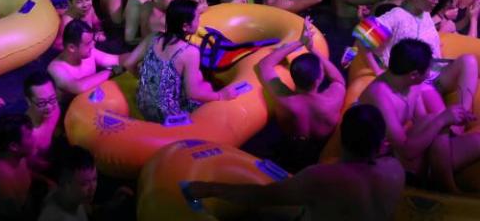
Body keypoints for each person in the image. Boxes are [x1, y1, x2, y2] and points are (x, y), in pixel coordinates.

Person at [185, 104, 405, 221]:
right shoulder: (394, 170)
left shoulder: (322, 177)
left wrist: (210, 188)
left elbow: (261, 196)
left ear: (342, 138)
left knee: (262, 213)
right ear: (380, 144)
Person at [360, 38, 480, 192]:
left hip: (413, 153)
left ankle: (439, 175)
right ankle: (446, 185)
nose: (430, 73)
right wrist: (443, 119)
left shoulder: (411, 85)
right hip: (385, 161)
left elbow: (424, 123)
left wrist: (452, 118)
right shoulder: (380, 96)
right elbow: (406, 151)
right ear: (414, 74)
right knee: (436, 120)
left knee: (475, 140)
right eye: (428, 70)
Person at [127, 0, 245, 124]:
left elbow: (128, 63)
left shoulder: (153, 37)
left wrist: (145, 81)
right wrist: (221, 96)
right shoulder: (189, 52)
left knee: (201, 82)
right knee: (208, 88)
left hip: (143, 104)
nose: (199, 22)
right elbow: (193, 93)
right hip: (167, 115)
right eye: (197, 19)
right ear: (185, 26)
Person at [256, 18, 346, 171]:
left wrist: (299, 42)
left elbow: (264, 64)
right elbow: (338, 79)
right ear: (319, 79)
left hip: (289, 149)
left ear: (293, 77)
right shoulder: (332, 99)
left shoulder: (282, 97)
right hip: (323, 151)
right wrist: (314, 50)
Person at [48, 20, 134, 101]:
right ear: (72, 48)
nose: (93, 45)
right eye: (88, 43)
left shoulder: (89, 53)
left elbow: (118, 59)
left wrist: (138, 58)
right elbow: (78, 87)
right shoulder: (56, 68)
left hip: (92, 100)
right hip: (70, 110)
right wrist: (111, 72)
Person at [0, 113, 39, 221]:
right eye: (29, 136)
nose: (34, 138)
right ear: (14, 146)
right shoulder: (2, 182)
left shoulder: (15, 155)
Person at [37, 146, 98, 221]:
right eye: (84, 183)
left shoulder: (74, 200)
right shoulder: (55, 217)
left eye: (94, 179)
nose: (92, 188)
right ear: (66, 185)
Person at [24, 71, 61, 173]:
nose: (49, 107)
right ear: (28, 101)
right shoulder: (28, 134)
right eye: (41, 103)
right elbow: (28, 168)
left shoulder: (55, 108)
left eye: (52, 99)